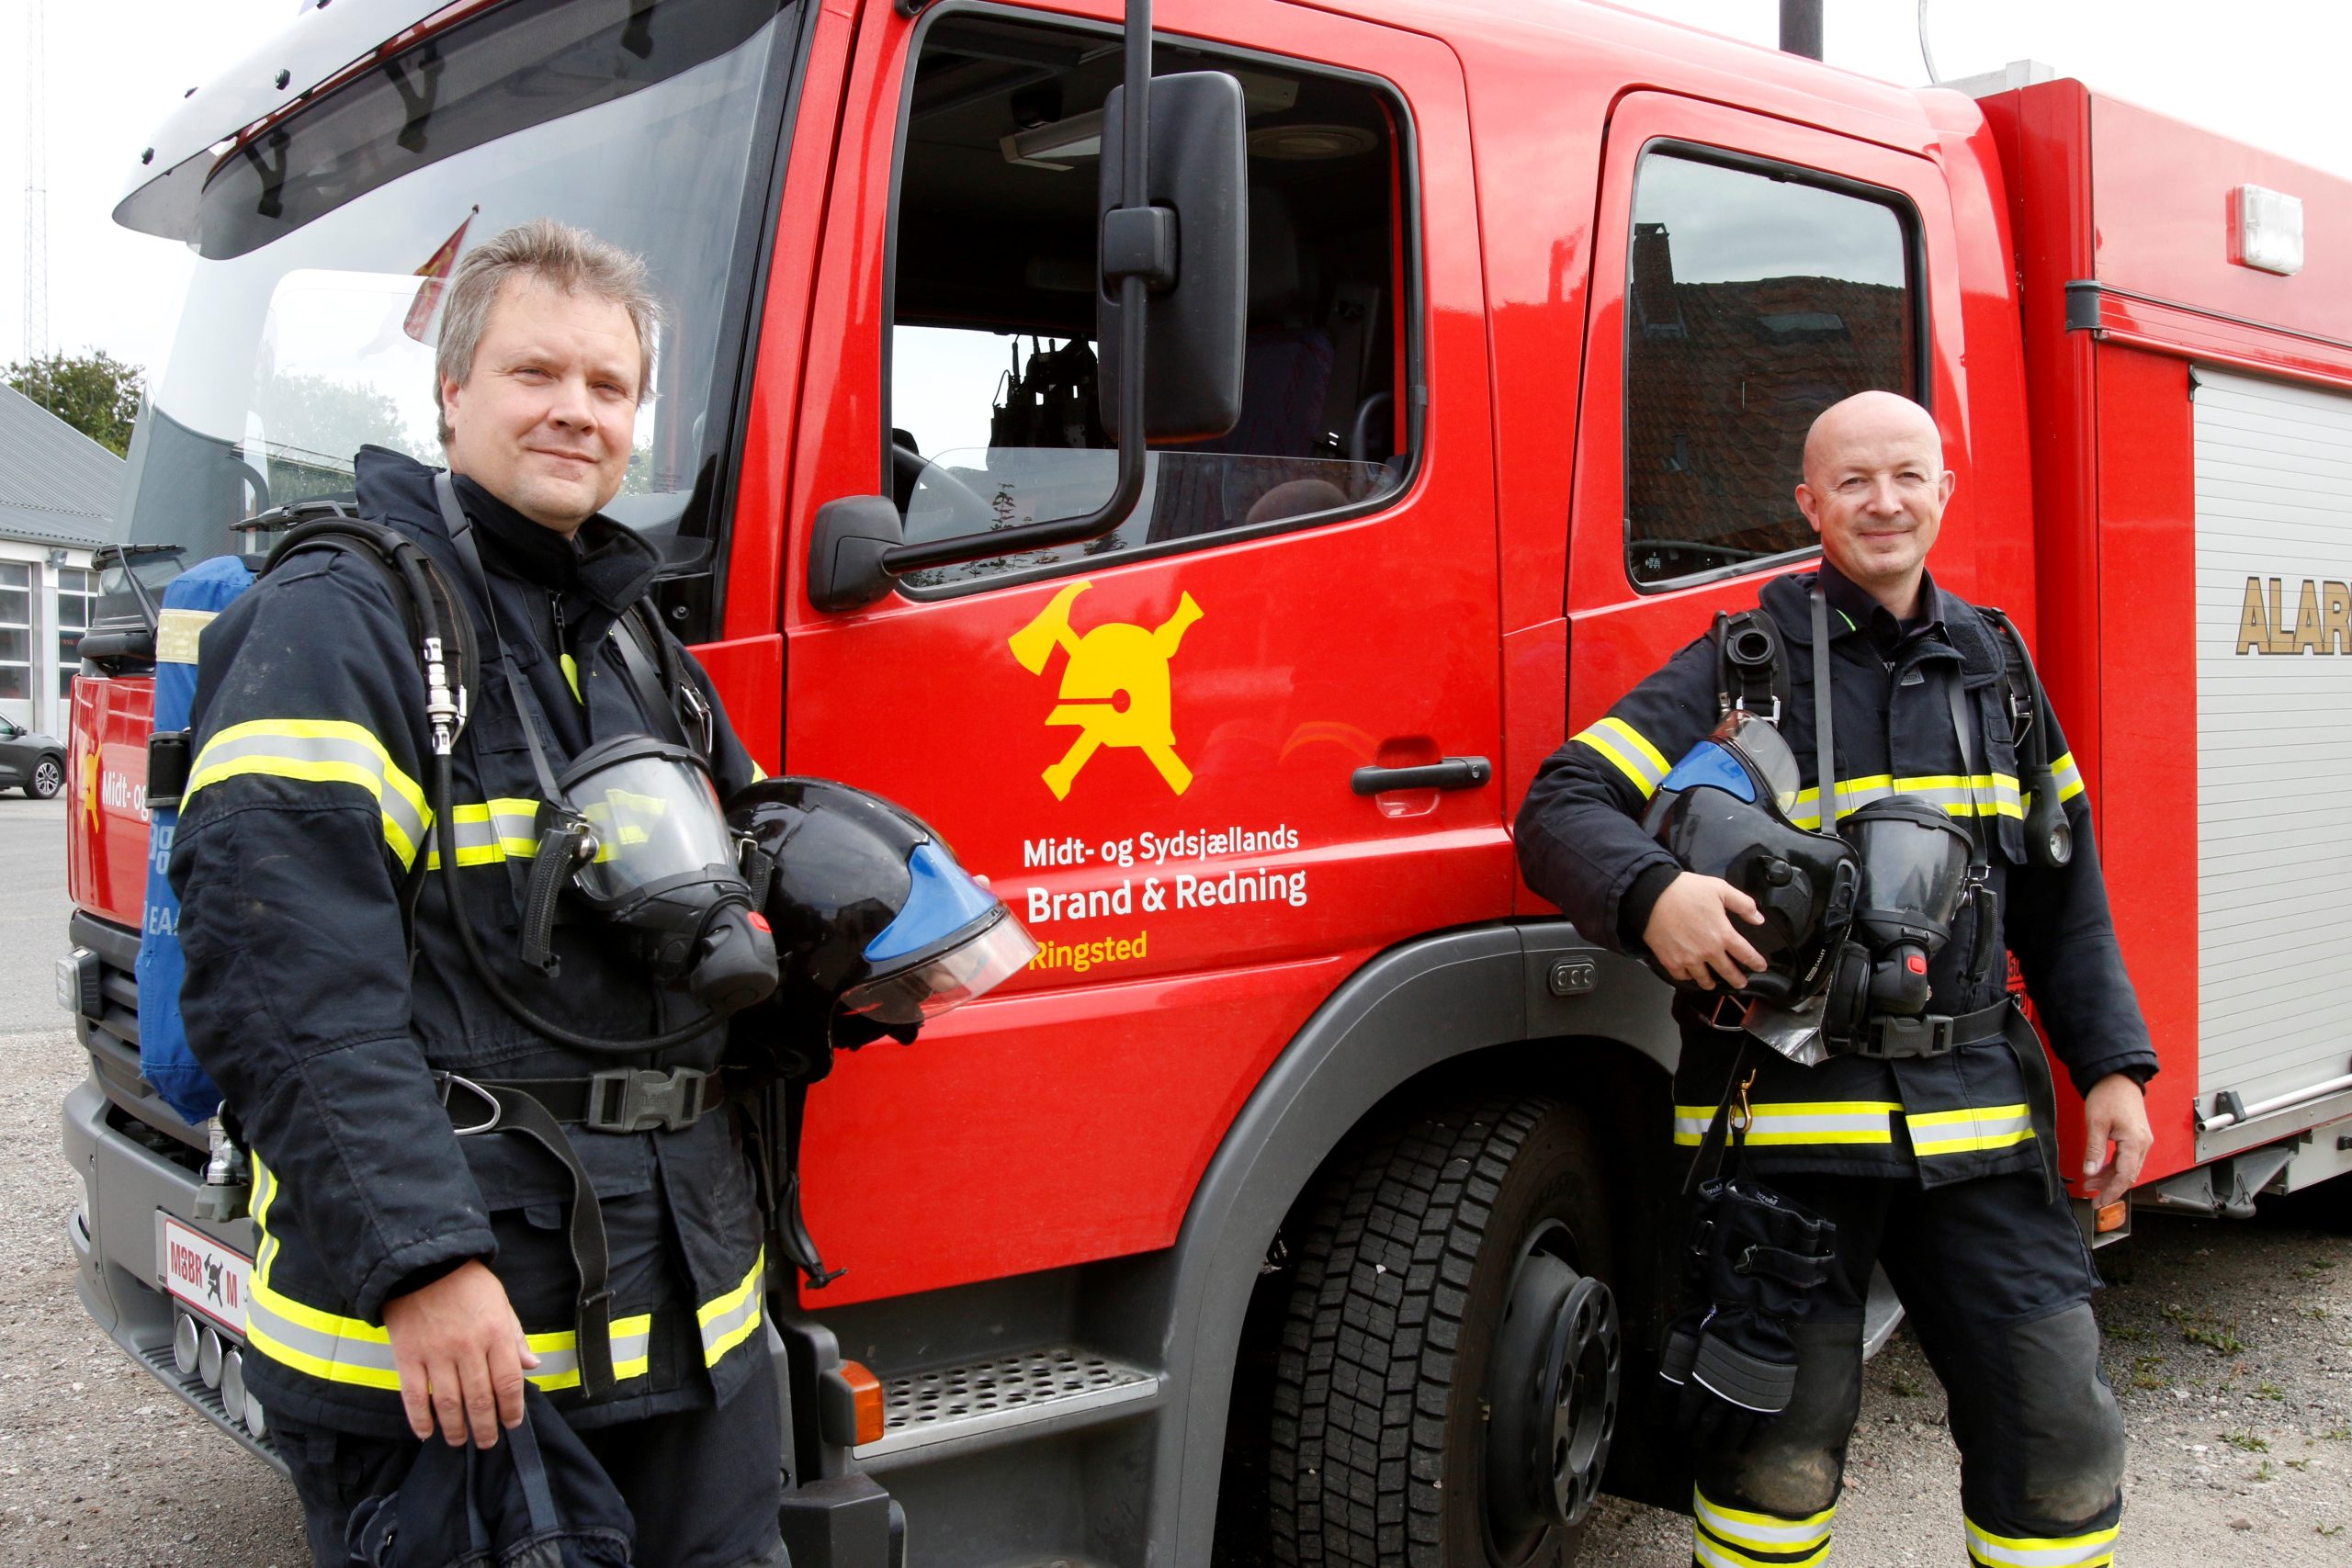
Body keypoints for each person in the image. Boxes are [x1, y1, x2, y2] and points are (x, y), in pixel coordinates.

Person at [172, 220, 786, 1568]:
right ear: (453, 392)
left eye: (610, 386)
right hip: (466, 1352)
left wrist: (846, 952)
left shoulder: (632, 633)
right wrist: (422, 1262)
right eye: (535, 372)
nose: (576, 410)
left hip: (685, 1329)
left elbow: (711, 911)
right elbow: (282, 981)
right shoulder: (343, 614)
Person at [1516, 390, 2156, 1568]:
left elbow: (2065, 892)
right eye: (1852, 481)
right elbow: (1561, 806)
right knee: (1772, 1456)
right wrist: (1654, 893)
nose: (1883, 502)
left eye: (1906, 475)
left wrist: (2111, 1065)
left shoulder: (1998, 671)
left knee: (2059, 1442)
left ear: (1944, 490)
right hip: (1783, 1137)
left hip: (1974, 1124)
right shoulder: (1739, 668)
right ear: (1808, 504)